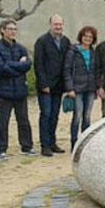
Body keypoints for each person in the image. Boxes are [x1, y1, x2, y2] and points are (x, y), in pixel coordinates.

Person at [0, 19, 35, 159]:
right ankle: (0, 149)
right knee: (3, 122)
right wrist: (17, 67)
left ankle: (27, 146)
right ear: (2, 30)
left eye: (15, 29)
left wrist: (11, 66)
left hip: (20, 89)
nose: (13, 31)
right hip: (4, 91)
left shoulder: (20, 48)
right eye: (10, 29)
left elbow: (27, 65)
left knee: (23, 120)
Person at [34, 14, 70, 156]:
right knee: (46, 114)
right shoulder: (42, 41)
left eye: (60, 24)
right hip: (46, 86)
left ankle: (52, 142)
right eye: (55, 24)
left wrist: (68, 86)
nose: (58, 27)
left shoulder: (66, 41)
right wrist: (43, 83)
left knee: (55, 115)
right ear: (50, 25)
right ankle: (45, 145)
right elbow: (39, 64)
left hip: (59, 86)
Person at [64, 26, 99, 150]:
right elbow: (67, 70)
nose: (87, 39)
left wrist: (97, 87)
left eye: (90, 37)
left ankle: (84, 143)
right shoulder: (73, 51)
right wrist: (69, 88)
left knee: (87, 116)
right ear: (81, 37)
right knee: (77, 115)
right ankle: (74, 142)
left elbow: (96, 71)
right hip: (77, 88)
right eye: (85, 36)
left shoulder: (93, 52)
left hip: (90, 88)